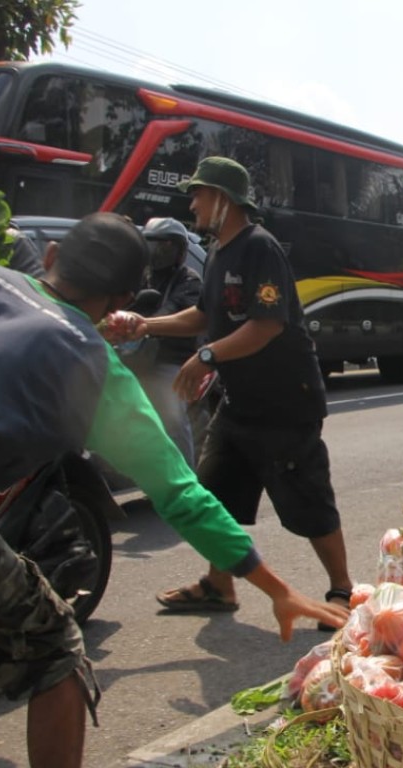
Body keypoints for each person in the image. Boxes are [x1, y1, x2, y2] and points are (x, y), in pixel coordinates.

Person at [0, 212, 349, 768]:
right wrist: (276, 589)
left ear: (50, 255)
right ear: (125, 296)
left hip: (271, 406)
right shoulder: (90, 366)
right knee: (54, 649)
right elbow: (180, 495)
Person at [119, 157, 354, 620]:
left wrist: (207, 355)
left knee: (306, 498)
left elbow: (266, 325)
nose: (192, 204)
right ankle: (219, 585)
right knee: (215, 491)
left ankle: (343, 589)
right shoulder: (218, 252)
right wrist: (147, 325)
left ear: (222, 199)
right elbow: (204, 316)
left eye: (199, 195)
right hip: (241, 401)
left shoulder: (258, 248)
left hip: (286, 401)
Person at [126, 217, 204, 467]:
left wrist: (148, 323)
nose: (159, 252)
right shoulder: (141, 278)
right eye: (154, 245)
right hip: (134, 355)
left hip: (169, 361)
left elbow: (175, 312)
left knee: (172, 417)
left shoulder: (189, 281)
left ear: (179, 250)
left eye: (166, 246)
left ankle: (187, 480)